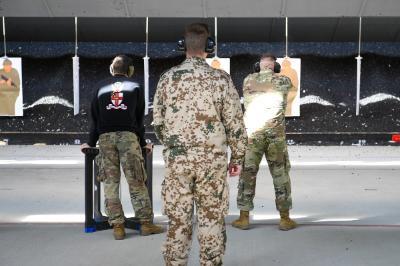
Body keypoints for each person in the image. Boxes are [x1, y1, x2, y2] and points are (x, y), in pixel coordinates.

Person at [153, 23, 247, 266]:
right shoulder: (221, 79)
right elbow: (235, 123)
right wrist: (236, 158)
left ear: (182, 46)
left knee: (178, 221)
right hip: (212, 162)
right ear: (210, 47)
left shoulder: (167, 79)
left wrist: (176, 148)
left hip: (177, 162)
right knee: (212, 219)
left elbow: (158, 124)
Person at [80, 55, 163, 240]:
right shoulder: (136, 87)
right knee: (136, 181)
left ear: (112, 69)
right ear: (130, 70)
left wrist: (91, 142)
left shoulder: (99, 87)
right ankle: (146, 224)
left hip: (105, 139)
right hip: (129, 138)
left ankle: (117, 227)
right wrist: (143, 143)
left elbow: (94, 119)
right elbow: (139, 119)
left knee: (110, 183)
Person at [232, 54, 297, 231]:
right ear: (274, 67)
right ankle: (285, 219)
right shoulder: (283, 80)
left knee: (247, 174)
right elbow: (290, 92)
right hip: (275, 137)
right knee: (280, 174)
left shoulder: (248, 80)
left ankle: (244, 218)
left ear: (258, 66)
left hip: (252, 135)